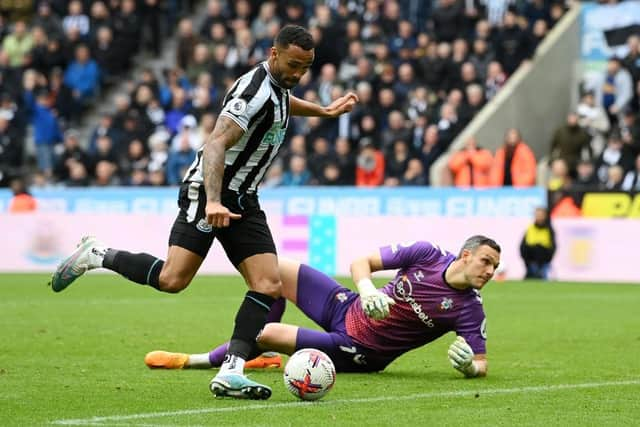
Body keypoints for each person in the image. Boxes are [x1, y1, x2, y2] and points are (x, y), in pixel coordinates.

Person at [48, 25, 359, 400]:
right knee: (172, 279)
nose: (298, 75)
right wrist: (213, 200)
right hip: (209, 191)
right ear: (273, 54)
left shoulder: (277, 88)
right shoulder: (252, 92)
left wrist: (322, 111)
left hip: (244, 198)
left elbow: (283, 103)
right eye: (293, 65)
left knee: (267, 284)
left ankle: (232, 370)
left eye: (305, 69)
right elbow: (215, 145)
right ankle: (98, 254)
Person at [145, 236, 501, 379]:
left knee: (267, 332)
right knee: (271, 271)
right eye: (485, 262)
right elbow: (362, 262)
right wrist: (367, 288)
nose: (489, 271)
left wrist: (471, 367)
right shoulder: (426, 254)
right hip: (347, 307)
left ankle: (198, 360)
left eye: (494, 267)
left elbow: (482, 363)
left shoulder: (469, 309)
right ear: (465, 255)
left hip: (361, 350)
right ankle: (257, 354)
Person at [520, 207, 556, 279]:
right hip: (531, 260)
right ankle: (532, 270)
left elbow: (552, 247)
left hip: (544, 259)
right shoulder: (530, 228)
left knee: (539, 248)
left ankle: (541, 271)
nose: (538, 217)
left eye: (540, 215)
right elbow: (522, 246)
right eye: (537, 215)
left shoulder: (549, 230)